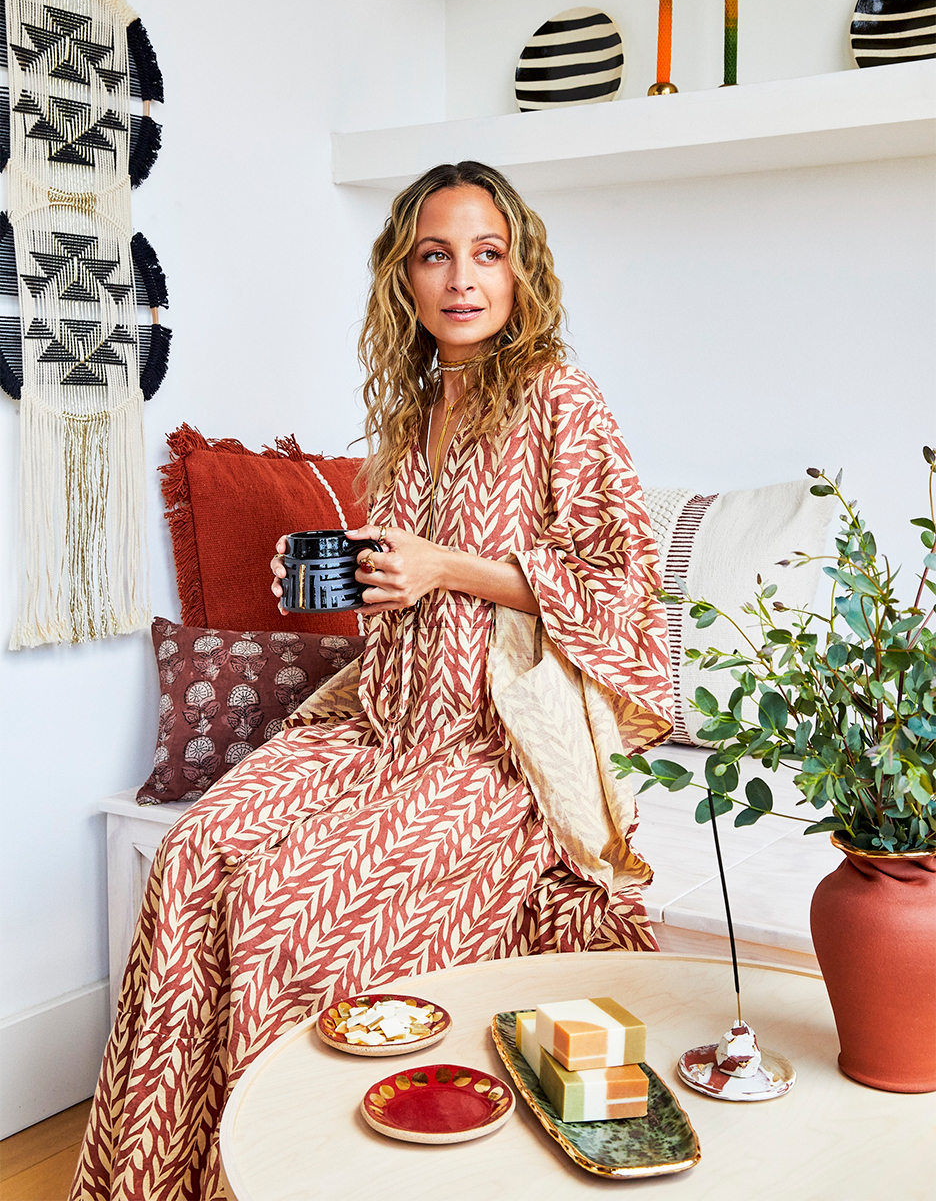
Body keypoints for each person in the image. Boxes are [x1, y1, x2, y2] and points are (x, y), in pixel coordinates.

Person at [71, 161, 673, 1201]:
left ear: (524, 271)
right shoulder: (410, 408)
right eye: (435, 255)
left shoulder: (559, 401)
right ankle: (151, 1182)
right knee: (195, 854)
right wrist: (347, 578)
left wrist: (452, 570)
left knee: (287, 904)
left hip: (491, 748)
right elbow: (406, 584)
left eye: (488, 254)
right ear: (403, 276)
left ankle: (269, 1176)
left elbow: (626, 585)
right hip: (377, 720)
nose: (463, 279)